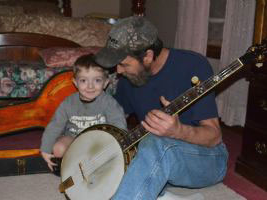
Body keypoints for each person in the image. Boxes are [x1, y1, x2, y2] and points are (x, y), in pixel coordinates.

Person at [95, 16, 228, 200]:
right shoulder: (129, 77)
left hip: (208, 159)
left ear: (148, 56)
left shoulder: (193, 65)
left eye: (124, 64)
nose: (118, 71)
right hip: (158, 157)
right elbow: (111, 122)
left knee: (155, 144)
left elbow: (214, 137)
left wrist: (178, 131)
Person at [40, 54, 127, 173]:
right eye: (83, 80)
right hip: (74, 139)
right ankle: (75, 167)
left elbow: (119, 125)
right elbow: (55, 125)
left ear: (106, 82)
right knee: (58, 148)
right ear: (75, 82)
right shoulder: (68, 103)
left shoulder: (109, 103)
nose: (90, 86)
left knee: (112, 149)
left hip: (98, 141)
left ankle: (94, 166)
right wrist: (45, 149)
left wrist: (117, 145)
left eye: (97, 80)